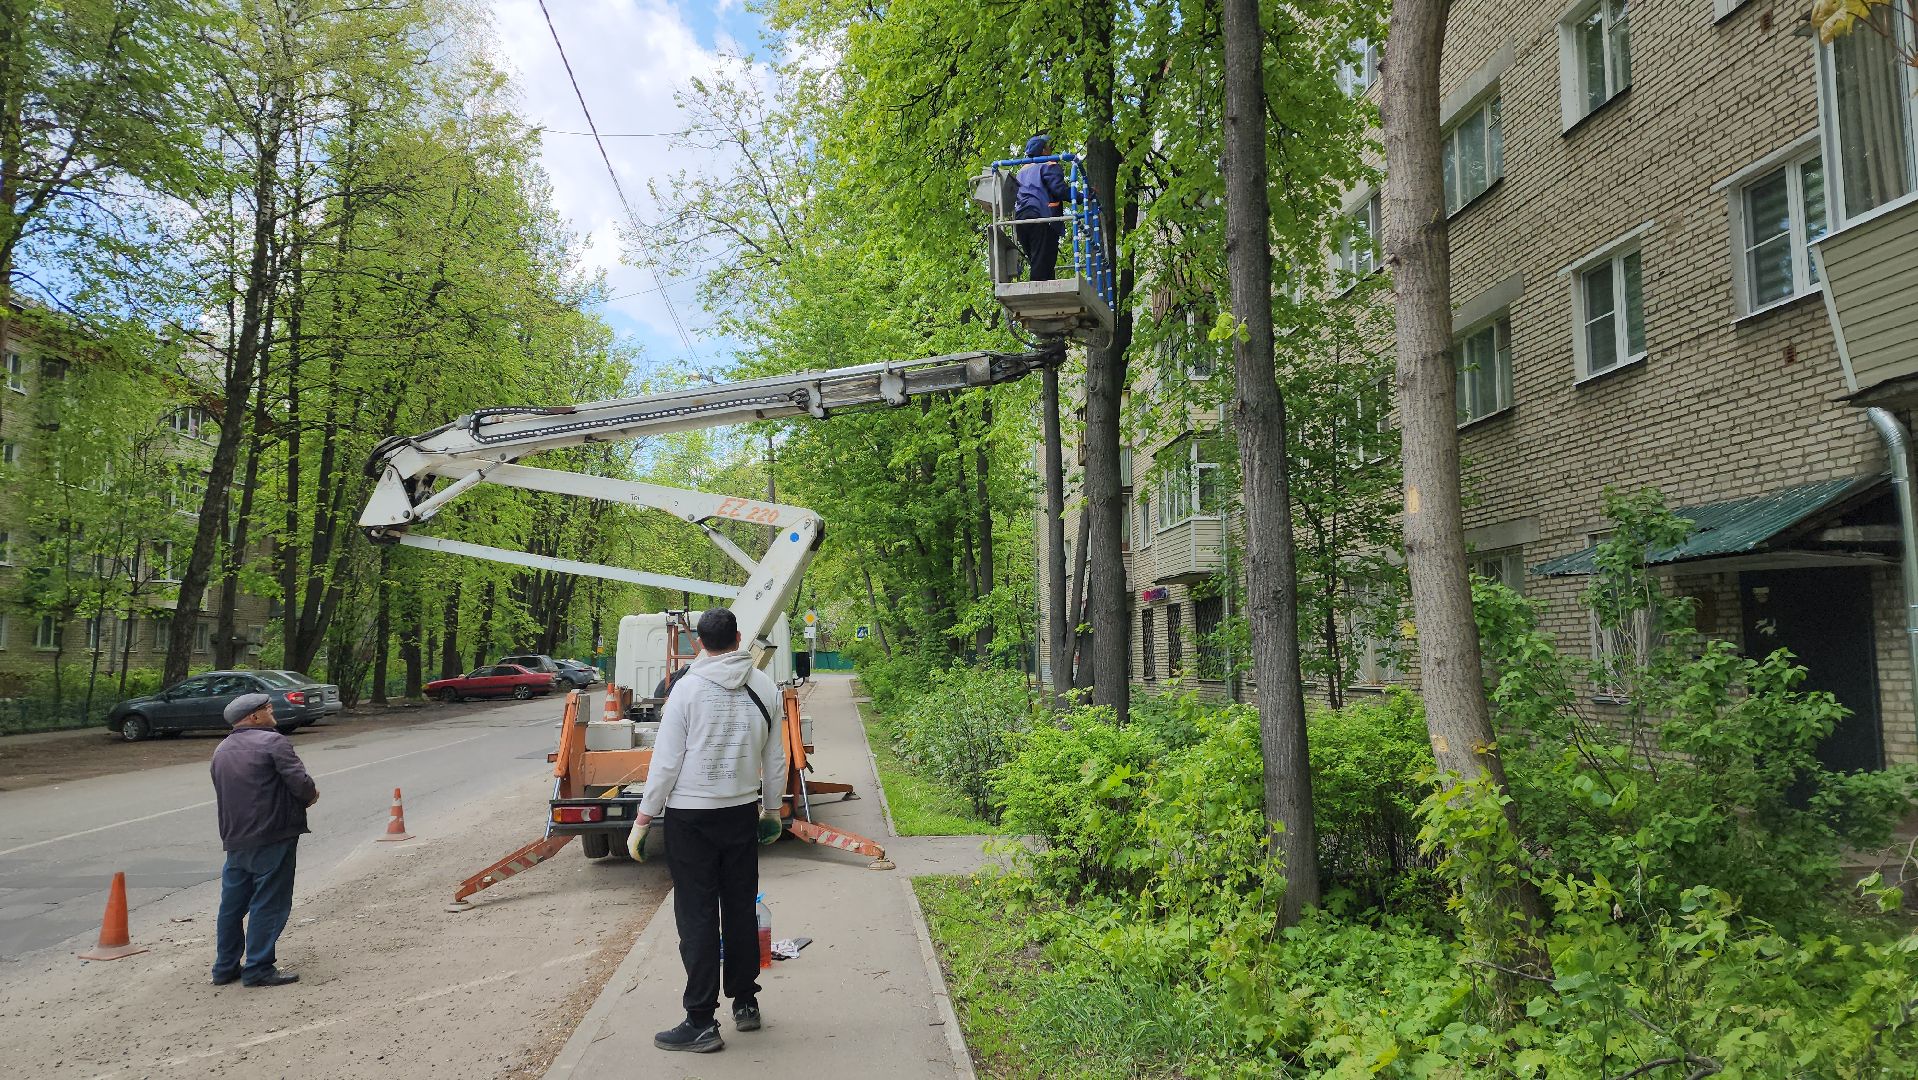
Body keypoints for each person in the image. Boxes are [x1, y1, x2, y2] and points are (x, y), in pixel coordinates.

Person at [636, 608, 787, 1053]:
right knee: (740, 909)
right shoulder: (764, 687)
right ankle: (745, 1003)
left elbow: (666, 763)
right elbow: (775, 759)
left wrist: (644, 818)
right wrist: (773, 811)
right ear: (738, 637)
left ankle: (700, 1020)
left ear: (698, 643)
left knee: (698, 916)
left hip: (691, 819)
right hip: (741, 812)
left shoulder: (685, 690)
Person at [209, 693, 318, 988]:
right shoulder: (273, 742)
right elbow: (301, 783)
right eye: (267, 709)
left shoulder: (222, 749)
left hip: (235, 838)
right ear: (253, 717)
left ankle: (224, 967)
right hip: (273, 834)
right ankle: (258, 968)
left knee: (232, 905)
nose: (272, 712)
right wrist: (311, 796)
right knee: (269, 901)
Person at [1014, 134, 1071, 281]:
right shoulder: (1048, 165)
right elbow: (1060, 190)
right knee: (1043, 263)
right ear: (1043, 150)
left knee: (1039, 261)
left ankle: (1044, 293)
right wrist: (1084, 195)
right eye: (1048, 147)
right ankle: (1037, 298)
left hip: (1021, 221)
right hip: (1042, 218)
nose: (1051, 150)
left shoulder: (1021, 171)